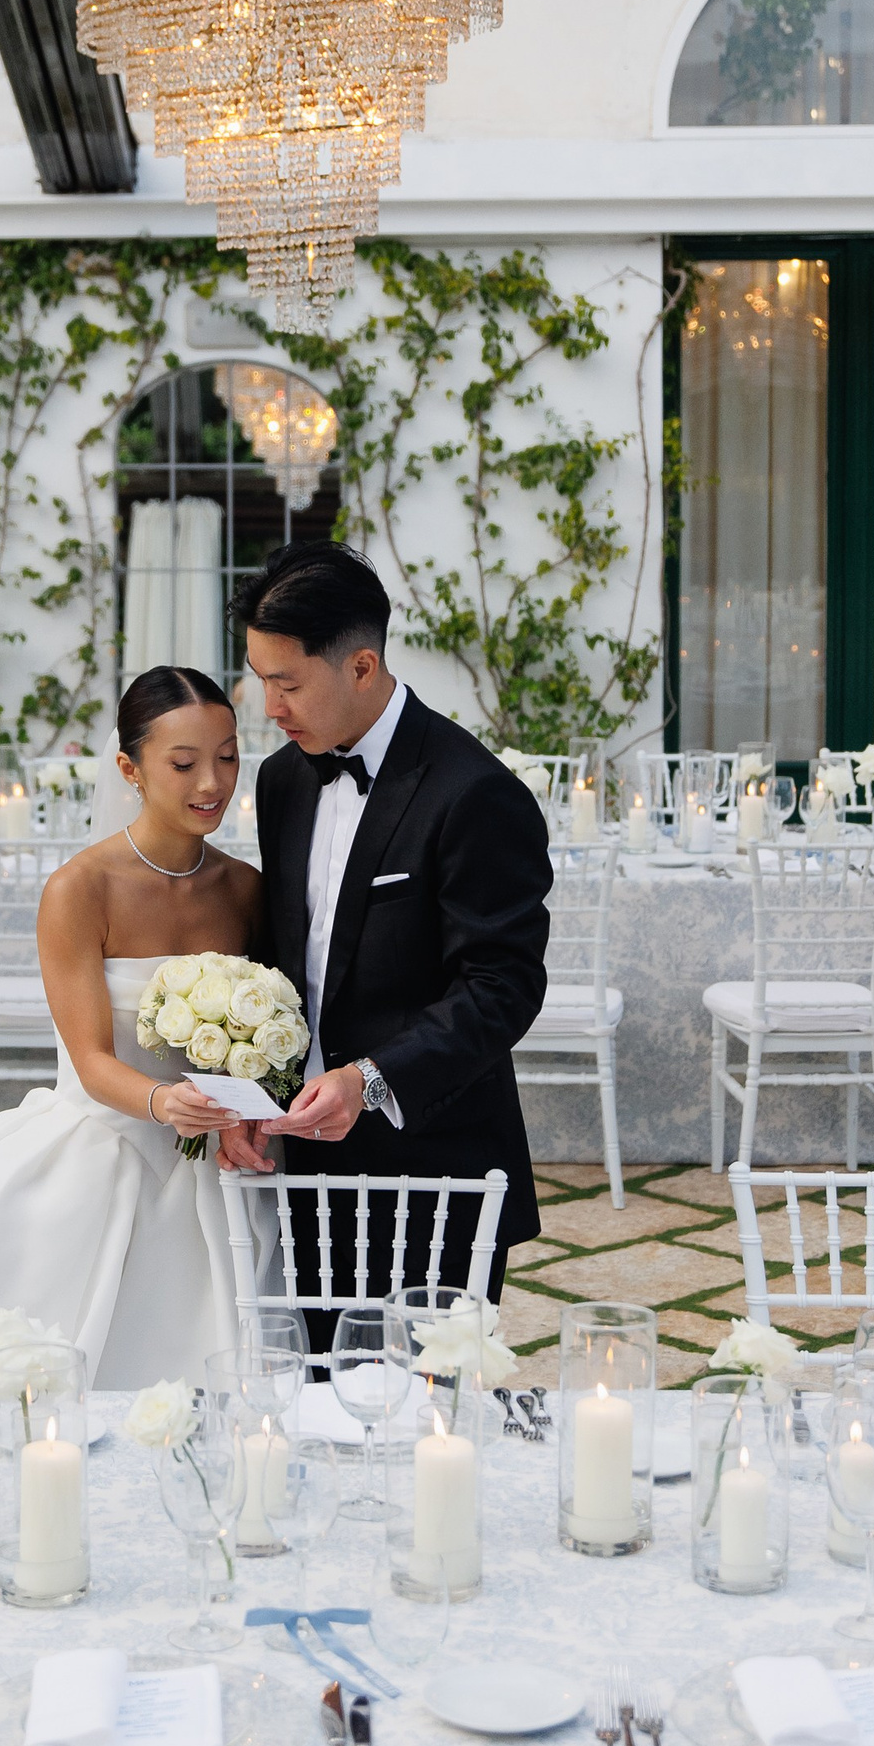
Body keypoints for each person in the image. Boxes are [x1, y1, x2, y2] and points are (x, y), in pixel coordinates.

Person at [222, 539, 552, 1315]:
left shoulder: (474, 792)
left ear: (362, 666)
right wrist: (251, 1095)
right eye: (261, 680)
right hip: (302, 1166)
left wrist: (370, 1081)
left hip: (433, 1167)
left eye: (287, 684)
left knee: (427, 1390)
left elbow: (502, 987)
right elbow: (289, 959)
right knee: (312, 1381)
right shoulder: (282, 780)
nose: (270, 708)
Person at [0, 666, 267, 1386]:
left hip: (211, 1148)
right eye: (183, 764)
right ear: (130, 769)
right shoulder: (78, 889)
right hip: (105, 1133)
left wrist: (238, 1109)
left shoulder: (244, 889)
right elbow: (90, 1058)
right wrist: (164, 1102)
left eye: (227, 757)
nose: (212, 783)